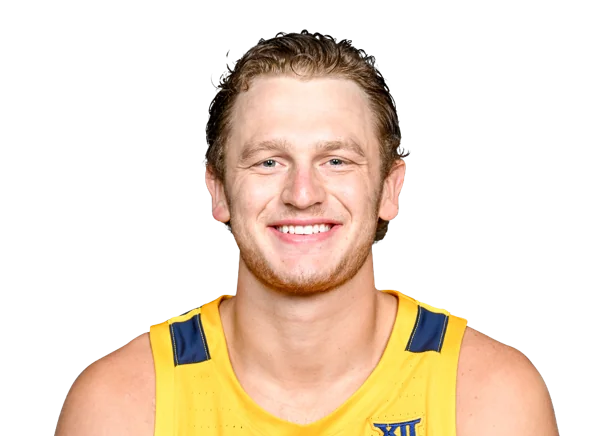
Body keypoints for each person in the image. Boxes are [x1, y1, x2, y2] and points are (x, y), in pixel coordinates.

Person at [56, 31, 557, 436]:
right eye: (268, 161)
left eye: (336, 161)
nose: (302, 194)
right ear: (219, 190)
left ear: (390, 188)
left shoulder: (489, 398)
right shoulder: (121, 405)